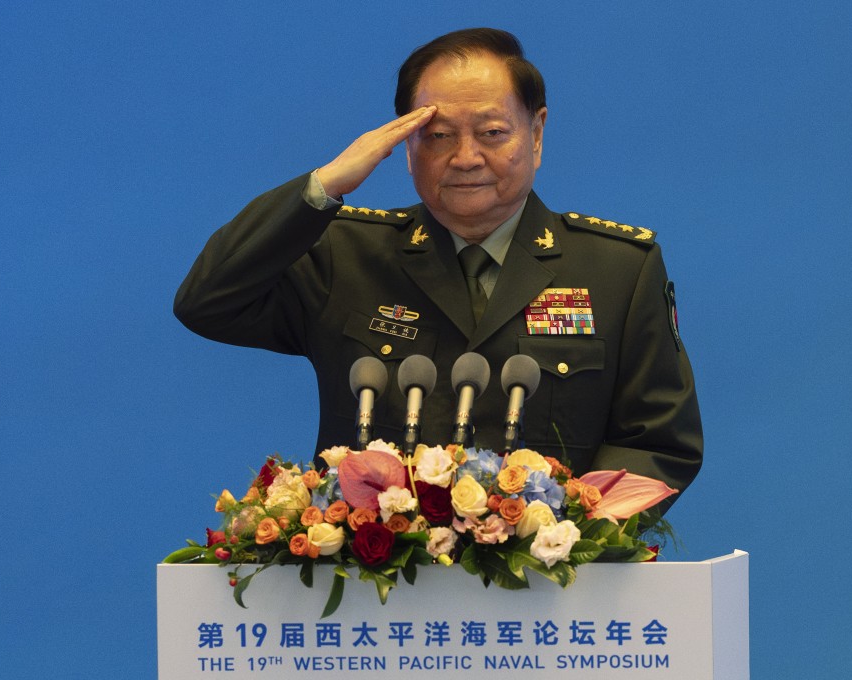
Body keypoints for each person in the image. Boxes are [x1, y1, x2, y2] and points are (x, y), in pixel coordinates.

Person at [174, 28, 702, 510]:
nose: (466, 157)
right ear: (404, 145)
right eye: (438, 135)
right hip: (376, 590)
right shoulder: (346, 254)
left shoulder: (617, 269)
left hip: (547, 592)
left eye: (492, 132)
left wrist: (564, 534)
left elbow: (657, 444)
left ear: (536, 133)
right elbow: (209, 303)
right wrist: (326, 184)